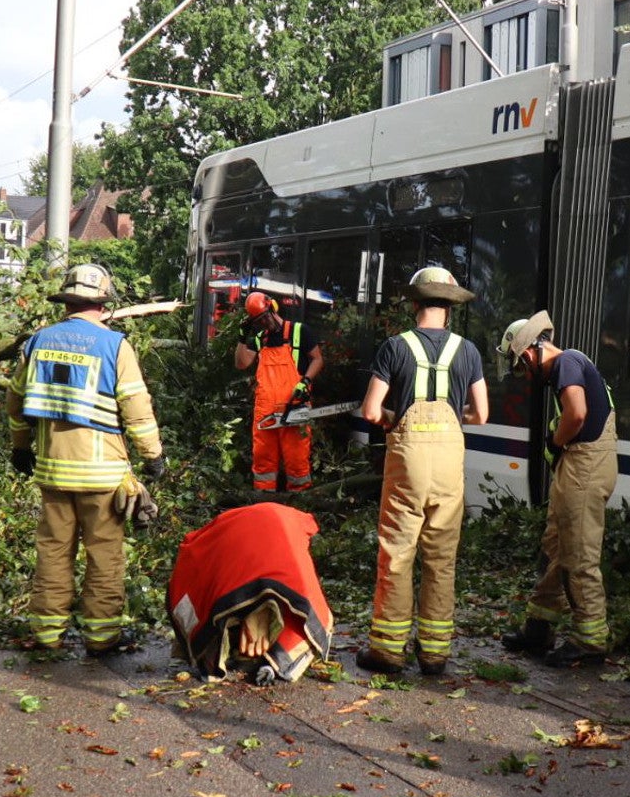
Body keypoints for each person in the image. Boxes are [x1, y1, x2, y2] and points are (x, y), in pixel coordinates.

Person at [7, 263, 166, 657]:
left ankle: (47, 634)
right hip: (104, 477)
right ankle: (100, 637)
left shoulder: (38, 342)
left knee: (54, 552)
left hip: (53, 472)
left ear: (66, 302)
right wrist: (153, 456)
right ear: (102, 304)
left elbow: (14, 400)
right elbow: (136, 406)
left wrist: (21, 446)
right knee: (104, 555)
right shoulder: (114, 346)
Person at [355, 266, 487, 676]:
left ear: (415, 304)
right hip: (450, 460)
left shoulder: (395, 347)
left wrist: (397, 414)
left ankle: (388, 652)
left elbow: (371, 411)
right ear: (450, 307)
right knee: (441, 558)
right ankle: (434, 653)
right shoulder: (468, 351)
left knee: (398, 552)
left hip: (408, 460)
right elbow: (481, 414)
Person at [498, 312, 620, 667]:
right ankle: (539, 627)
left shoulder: (566, 361)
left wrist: (553, 442)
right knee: (555, 547)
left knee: (578, 554)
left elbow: (577, 414)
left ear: (532, 351)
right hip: (577, 465)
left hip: (585, 466)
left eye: (521, 366)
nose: (524, 375)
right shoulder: (570, 366)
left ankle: (590, 640)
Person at [167, 502, 333, 685]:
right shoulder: (292, 560)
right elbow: (318, 618)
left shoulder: (290, 552)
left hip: (225, 555)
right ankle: (253, 643)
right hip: (229, 559)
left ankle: (257, 644)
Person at [233, 291, 324, 496]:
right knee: (263, 461)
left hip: (294, 404)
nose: (265, 323)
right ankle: (263, 503)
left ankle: (299, 501)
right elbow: (241, 363)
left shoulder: (299, 331)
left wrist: (305, 382)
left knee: (297, 460)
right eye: (259, 321)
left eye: (265, 317)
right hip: (265, 409)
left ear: (273, 308)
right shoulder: (259, 339)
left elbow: (317, 359)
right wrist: (241, 337)